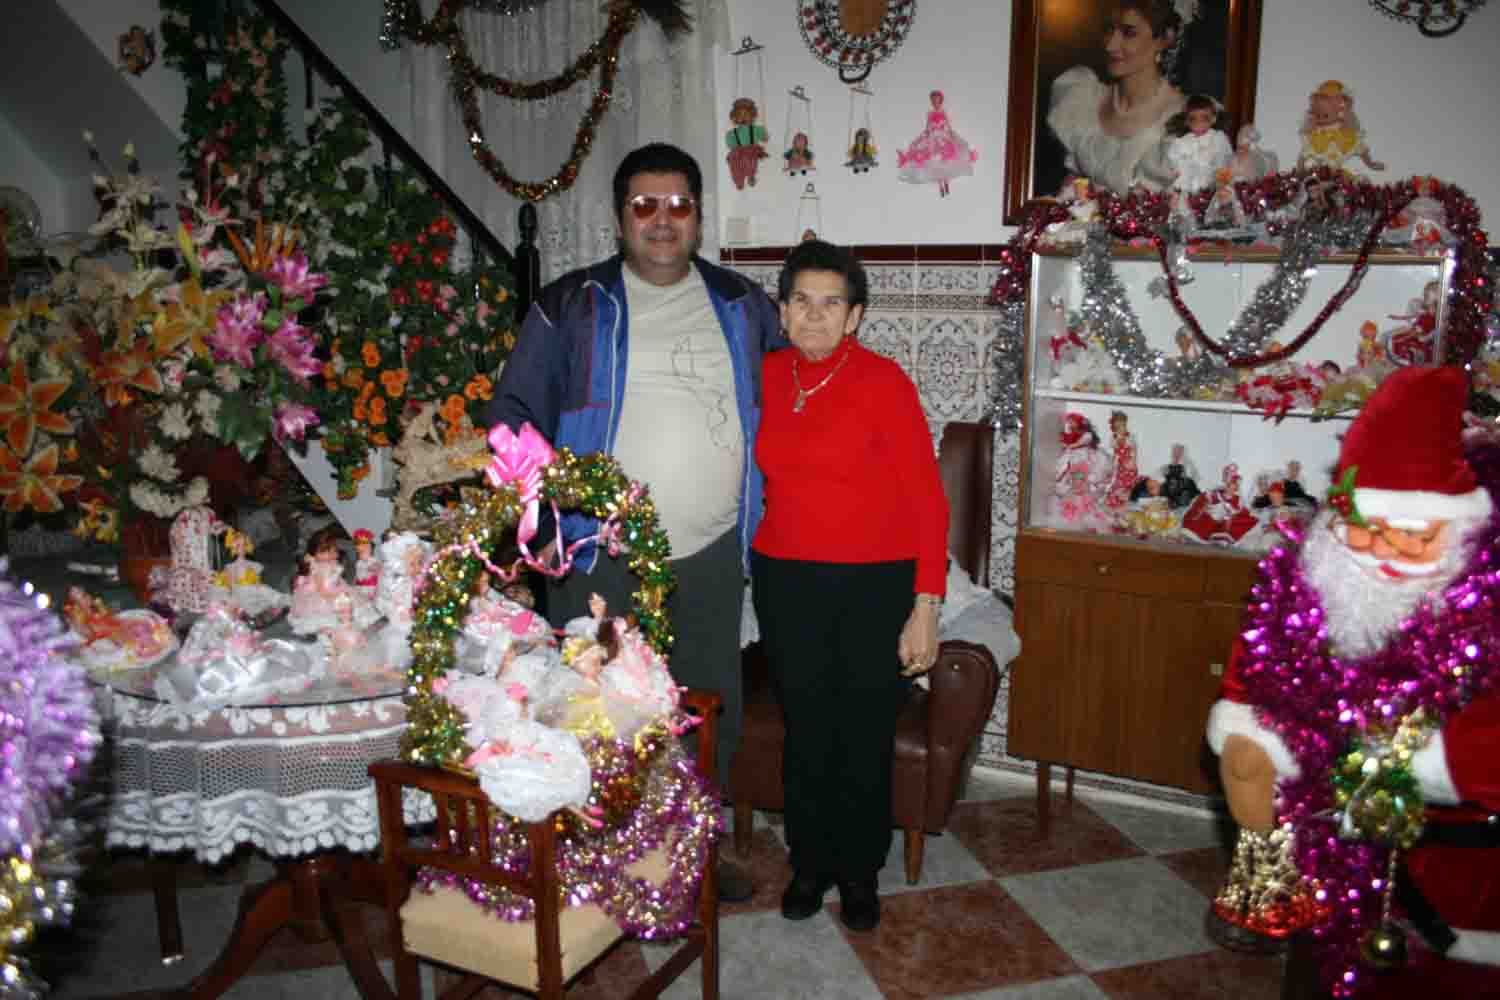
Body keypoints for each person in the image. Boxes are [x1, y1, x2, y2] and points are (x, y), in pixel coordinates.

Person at [487, 142, 785, 904]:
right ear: (620, 218)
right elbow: (512, 415)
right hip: (599, 554)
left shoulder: (743, 306)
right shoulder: (571, 305)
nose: (662, 219)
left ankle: (695, 852)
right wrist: (545, 520)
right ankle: (599, 858)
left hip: (712, 551)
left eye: (678, 204)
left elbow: (792, 404)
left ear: (698, 217)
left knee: (707, 707)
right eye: (644, 204)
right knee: (597, 710)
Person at [1206, 367, 1500, 989]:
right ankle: (1273, 888)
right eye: (1365, 531)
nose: (1384, 552)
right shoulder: (1306, 589)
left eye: (1415, 538)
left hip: (1452, 852)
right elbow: (1250, 679)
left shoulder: (1481, 612)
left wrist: (1404, 758)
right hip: (1326, 813)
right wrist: (1253, 738)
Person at [751, 239, 948, 932]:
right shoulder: (766, 376)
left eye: (831, 303)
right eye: (801, 301)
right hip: (785, 579)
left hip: (874, 583)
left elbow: (928, 501)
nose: (814, 315)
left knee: (862, 733)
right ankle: (809, 863)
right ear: (782, 310)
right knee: (807, 730)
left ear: (855, 315)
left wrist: (926, 606)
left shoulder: (884, 382)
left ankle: (860, 870)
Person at [1047, 0, 1191, 195]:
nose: (1110, 46)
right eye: (1109, 30)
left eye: (1129, 33)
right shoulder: (1082, 100)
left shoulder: (1186, 116)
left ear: (1164, 39)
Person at [895, 90, 977, 197]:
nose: (935, 103)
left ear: (941, 101)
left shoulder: (943, 112)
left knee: (945, 157)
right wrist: (926, 134)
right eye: (933, 101)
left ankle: (946, 181)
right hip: (933, 137)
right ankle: (940, 184)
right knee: (934, 159)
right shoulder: (930, 113)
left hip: (942, 136)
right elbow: (928, 126)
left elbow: (947, 125)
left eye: (937, 101)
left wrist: (950, 133)